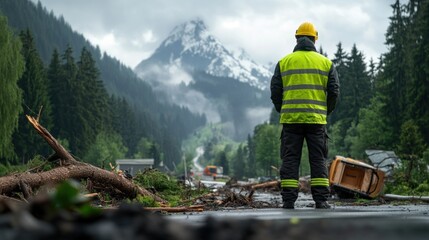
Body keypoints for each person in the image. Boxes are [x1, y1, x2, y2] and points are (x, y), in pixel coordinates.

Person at [270, 22, 340, 209]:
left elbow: (275, 91)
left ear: (297, 38)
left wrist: (282, 109)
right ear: (314, 39)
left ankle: (288, 201)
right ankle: (321, 200)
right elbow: (334, 91)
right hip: (316, 120)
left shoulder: (284, 62)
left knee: (290, 159)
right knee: (318, 159)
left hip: (291, 120)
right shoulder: (326, 63)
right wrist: (326, 111)